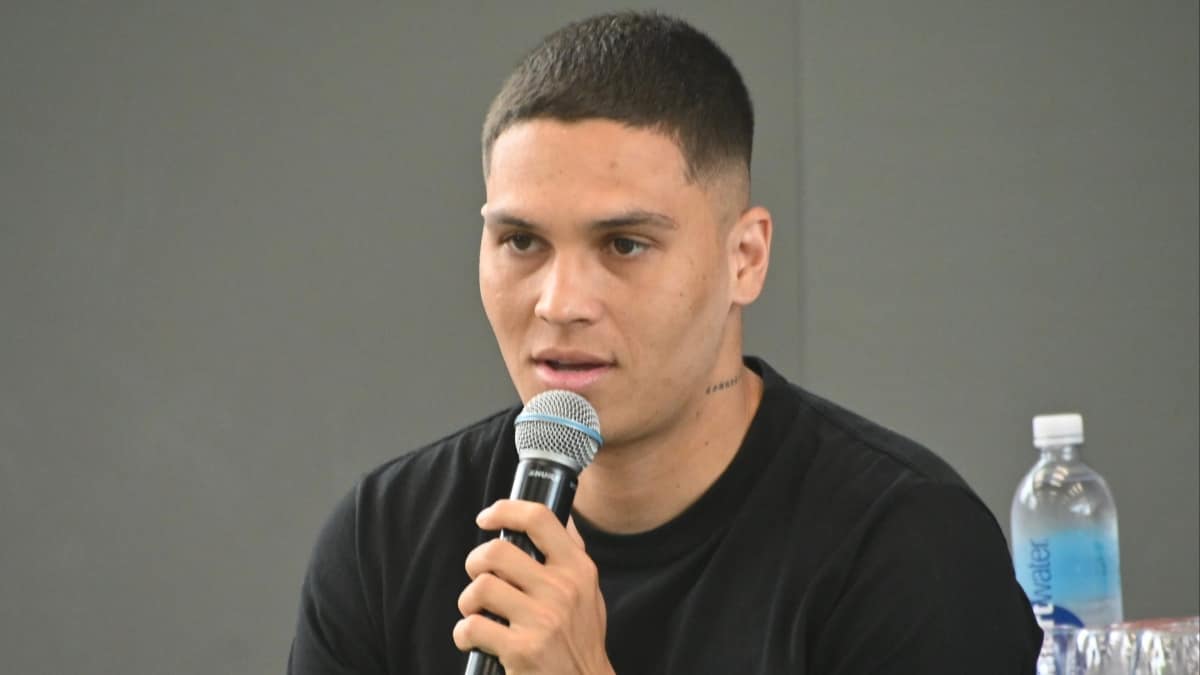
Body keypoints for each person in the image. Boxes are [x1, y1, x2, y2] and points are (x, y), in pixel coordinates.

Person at [288, 11, 1043, 674]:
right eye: (520, 241)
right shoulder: (383, 541)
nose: (560, 303)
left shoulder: (907, 547)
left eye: (624, 244)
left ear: (745, 258)